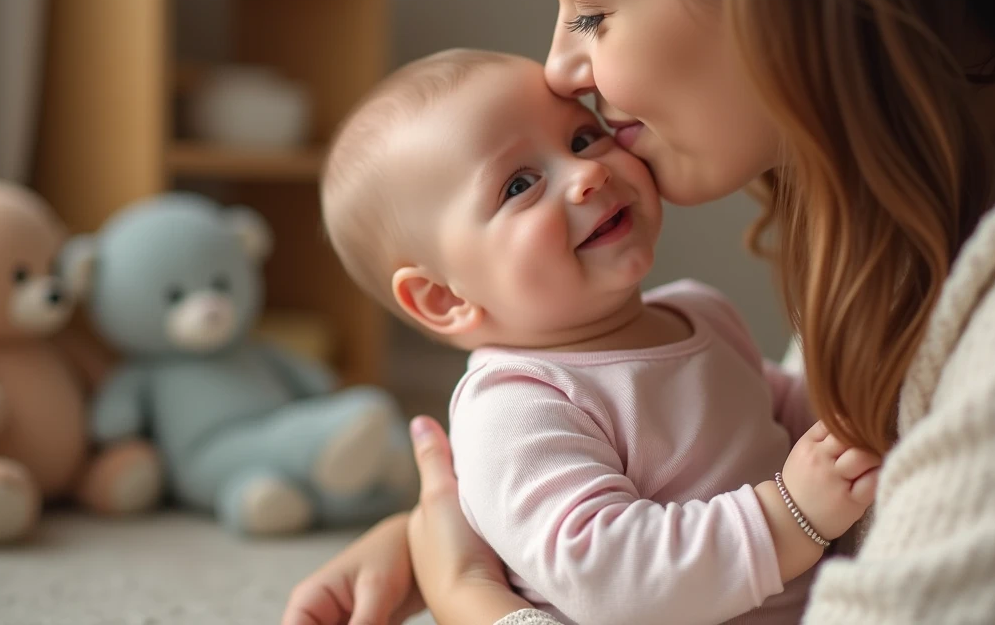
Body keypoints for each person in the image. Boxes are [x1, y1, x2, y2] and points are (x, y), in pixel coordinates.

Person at [284, 0, 995, 623]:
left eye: (588, 7)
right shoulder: (903, 205)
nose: (559, 69)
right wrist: (470, 529)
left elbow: (796, 435)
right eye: (513, 186)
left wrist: (470, 594)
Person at [316, 48, 880, 625]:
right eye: (519, 185)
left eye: (583, 139)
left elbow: (786, 415)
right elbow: (610, 576)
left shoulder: (700, 311)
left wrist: (852, 419)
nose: (588, 174)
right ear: (446, 298)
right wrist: (788, 516)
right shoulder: (514, 404)